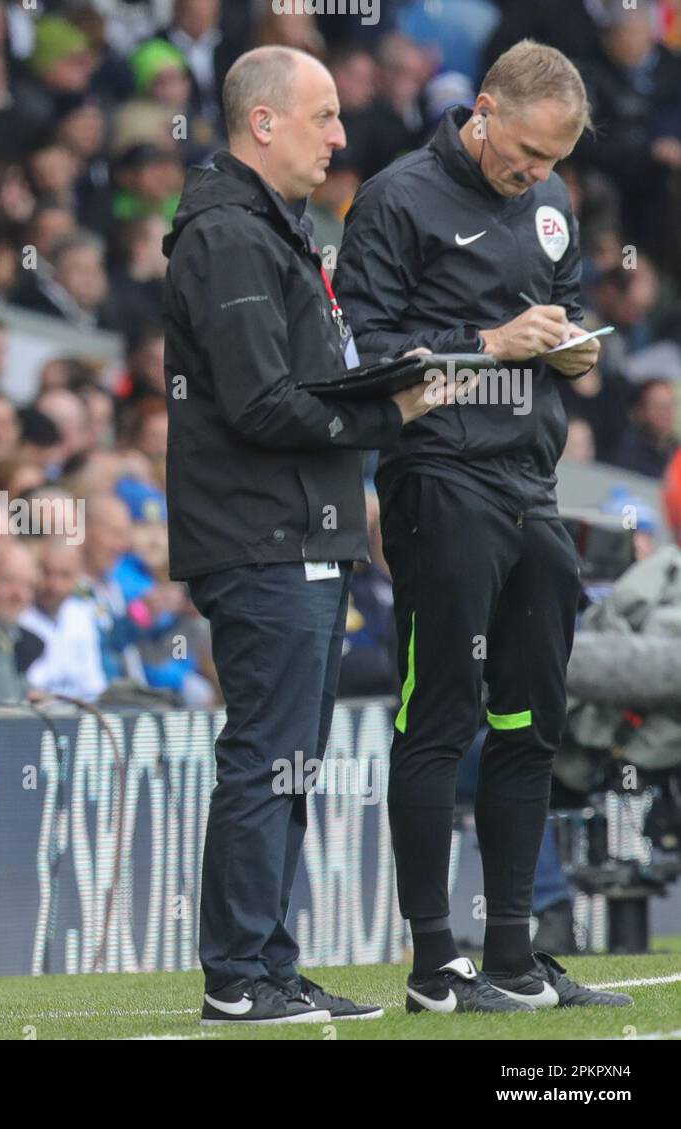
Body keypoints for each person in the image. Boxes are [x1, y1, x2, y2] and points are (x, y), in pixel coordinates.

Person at [334, 39, 633, 1013]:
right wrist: (487, 345)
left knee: (528, 724)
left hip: (529, 482)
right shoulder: (393, 198)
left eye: (552, 161)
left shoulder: (549, 205)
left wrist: (571, 351)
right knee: (439, 718)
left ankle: (513, 953)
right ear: (484, 110)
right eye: (526, 152)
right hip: (438, 479)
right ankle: (433, 965)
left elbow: (569, 311)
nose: (536, 173)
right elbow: (364, 352)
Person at [163, 45, 445, 1026]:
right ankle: (238, 977)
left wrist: (377, 388)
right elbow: (258, 403)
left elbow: (290, 388)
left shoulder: (271, 228)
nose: (339, 136)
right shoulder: (231, 236)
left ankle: (268, 964)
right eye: (322, 117)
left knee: (288, 760)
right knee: (266, 755)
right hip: (260, 535)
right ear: (262, 122)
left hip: (300, 531)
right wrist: (389, 410)